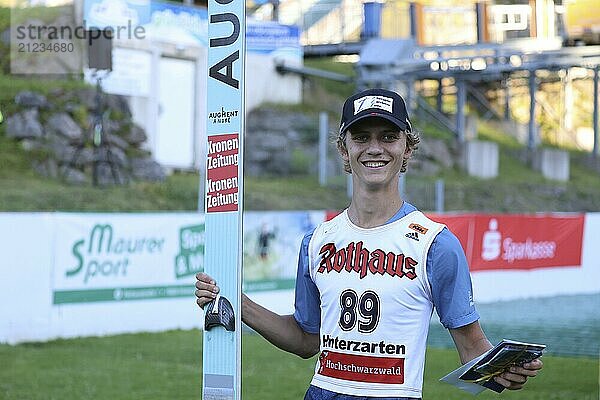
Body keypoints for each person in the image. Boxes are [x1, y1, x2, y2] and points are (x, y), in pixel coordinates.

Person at [195, 88, 543, 399]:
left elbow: (472, 349)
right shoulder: (316, 241)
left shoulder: (435, 244)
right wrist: (237, 304)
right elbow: (305, 340)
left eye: (388, 137)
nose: (374, 148)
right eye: (361, 138)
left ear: (407, 148)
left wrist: (502, 370)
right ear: (343, 150)